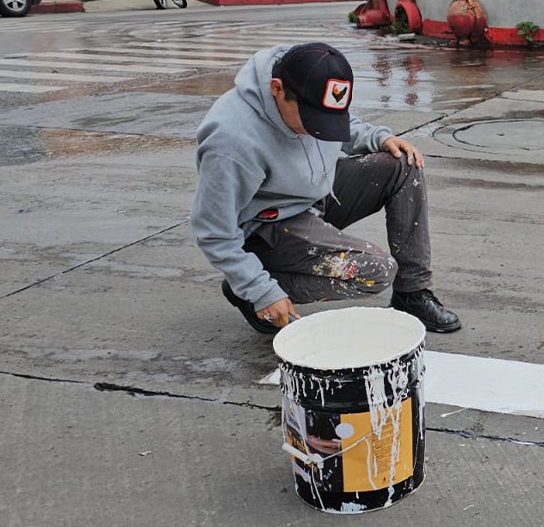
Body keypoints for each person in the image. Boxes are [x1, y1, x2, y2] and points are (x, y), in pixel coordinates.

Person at [191, 42, 461, 335]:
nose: (318, 130)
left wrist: (379, 138)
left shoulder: (312, 78)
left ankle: (412, 293)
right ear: (276, 89)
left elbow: (343, 124)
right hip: (268, 228)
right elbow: (213, 231)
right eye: (311, 121)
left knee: (403, 163)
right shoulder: (232, 142)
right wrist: (259, 290)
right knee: (376, 272)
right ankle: (252, 288)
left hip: (313, 196)